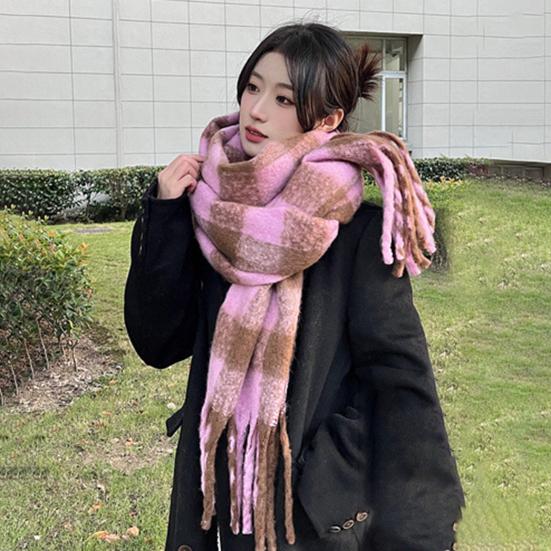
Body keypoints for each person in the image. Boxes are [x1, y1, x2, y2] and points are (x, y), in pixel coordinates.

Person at [124, 21, 466, 551]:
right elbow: (158, 342)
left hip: (305, 516)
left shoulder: (357, 235)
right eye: (252, 87)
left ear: (327, 119)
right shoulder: (209, 213)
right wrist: (166, 216)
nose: (257, 110)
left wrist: (331, 476)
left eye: (283, 99)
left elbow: (400, 385)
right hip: (218, 496)